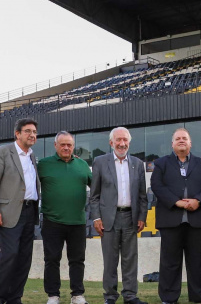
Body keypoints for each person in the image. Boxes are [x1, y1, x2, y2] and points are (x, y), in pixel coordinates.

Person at [150, 128, 201, 304]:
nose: (181, 140)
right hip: (171, 220)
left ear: (190, 143)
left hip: (196, 220)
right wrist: (176, 202)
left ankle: (199, 296)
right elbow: (157, 186)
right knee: (170, 262)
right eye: (178, 138)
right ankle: (169, 297)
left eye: (184, 138)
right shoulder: (161, 164)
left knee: (196, 262)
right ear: (172, 143)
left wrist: (198, 201)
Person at [0, 118, 41, 304]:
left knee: (24, 259)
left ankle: (15, 298)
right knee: (9, 256)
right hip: (9, 212)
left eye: (34, 132)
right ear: (17, 134)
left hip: (30, 211)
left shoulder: (32, 156)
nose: (32, 135)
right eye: (28, 131)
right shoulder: (3, 152)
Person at [91, 127, 149, 304]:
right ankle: (110, 296)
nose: (122, 143)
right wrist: (96, 218)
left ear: (129, 142)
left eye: (125, 140)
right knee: (110, 260)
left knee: (130, 260)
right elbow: (94, 195)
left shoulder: (138, 164)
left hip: (131, 218)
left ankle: (130, 296)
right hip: (109, 219)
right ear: (111, 142)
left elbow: (142, 195)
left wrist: (142, 217)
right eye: (118, 140)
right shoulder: (100, 162)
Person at [39, 132, 92, 304]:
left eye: (69, 144)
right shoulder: (43, 164)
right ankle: (53, 295)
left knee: (77, 260)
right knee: (51, 259)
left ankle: (77, 295)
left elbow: (97, 187)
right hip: (52, 221)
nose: (66, 147)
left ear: (73, 146)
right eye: (62, 144)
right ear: (55, 145)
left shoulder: (82, 164)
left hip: (77, 221)